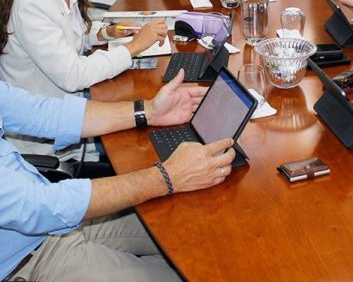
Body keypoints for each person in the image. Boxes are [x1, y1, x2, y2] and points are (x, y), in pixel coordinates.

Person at [0, 70, 236, 281]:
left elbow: (48, 114)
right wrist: (167, 177)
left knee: (197, 234)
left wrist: (149, 111)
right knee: (193, 268)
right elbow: (38, 207)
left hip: (54, 228)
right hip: (29, 262)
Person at [0, 0, 168, 157]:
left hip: (74, 108)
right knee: (148, 142)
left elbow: (66, 33)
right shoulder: (30, 2)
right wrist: (134, 47)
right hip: (49, 137)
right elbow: (73, 76)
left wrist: (104, 33)